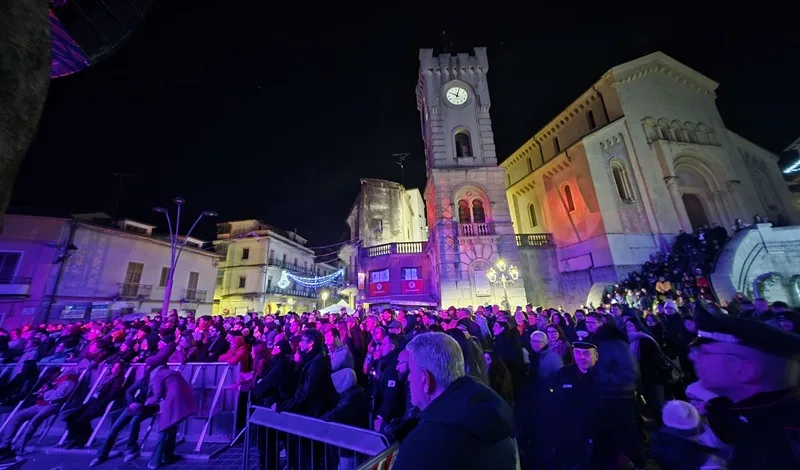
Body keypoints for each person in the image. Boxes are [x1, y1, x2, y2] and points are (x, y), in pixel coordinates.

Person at [689, 305, 800, 469]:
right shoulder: (754, 415)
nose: (692, 357)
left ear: (745, 370)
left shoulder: (782, 440)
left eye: (704, 352)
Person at [392, 332, 518, 470]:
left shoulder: (420, 445)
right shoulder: (494, 423)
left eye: (411, 371)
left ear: (425, 379)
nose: (409, 377)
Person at [144, 364, 197, 469]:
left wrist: (147, 402)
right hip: (184, 404)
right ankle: (168, 456)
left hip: (170, 404)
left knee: (162, 431)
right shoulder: (174, 373)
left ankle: (154, 462)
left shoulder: (157, 375)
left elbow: (157, 396)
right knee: (172, 429)